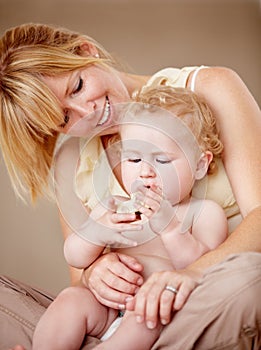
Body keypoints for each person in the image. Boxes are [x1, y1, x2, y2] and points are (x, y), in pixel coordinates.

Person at [0, 23, 260, 350]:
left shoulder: (209, 89)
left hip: (203, 301)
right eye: (65, 118)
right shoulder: (71, 160)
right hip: (111, 318)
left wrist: (191, 273)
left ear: (86, 51)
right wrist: (97, 271)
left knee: (251, 279)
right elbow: (79, 275)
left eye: (77, 86)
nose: (87, 112)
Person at [32, 87, 228, 350]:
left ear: (200, 165)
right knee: (71, 299)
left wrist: (171, 230)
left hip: (158, 310)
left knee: (145, 319)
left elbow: (204, 271)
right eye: (134, 158)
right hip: (108, 307)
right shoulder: (117, 207)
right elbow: (74, 256)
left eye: (162, 160)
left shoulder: (202, 212)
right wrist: (97, 231)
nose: (145, 172)